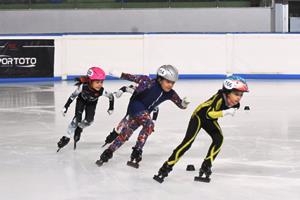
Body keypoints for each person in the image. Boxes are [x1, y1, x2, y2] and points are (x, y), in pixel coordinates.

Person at [153, 75, 249, 183]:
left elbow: (212, 116)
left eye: (241, 95)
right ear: (227, 91)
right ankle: (166, 167)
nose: (239, 98)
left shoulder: (236, 104)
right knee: (187, 143)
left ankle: (206, 166)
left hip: (210, 119)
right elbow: (208, 114)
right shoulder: (219, 98)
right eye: (236, 94)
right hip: (199, 116)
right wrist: (225, 112)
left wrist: (225, 111)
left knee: (219, 139)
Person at [96, 65, 190, 168]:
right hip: (135, 107)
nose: (170, 85)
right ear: (160, 79)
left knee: (125, 134)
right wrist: (119, 74)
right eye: (168, 82)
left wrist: (184, 103)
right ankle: (137, 150)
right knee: (149, 124)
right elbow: (133, 78)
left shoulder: (170, 94)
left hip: (142, 113)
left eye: (173, 83)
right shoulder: (148, 82)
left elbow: (180, 105)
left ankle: (108, 153)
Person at [57, 67, 114, 152]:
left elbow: (111, 96)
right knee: (77, 119)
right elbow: (73, 96)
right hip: (81, 101)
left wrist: (111, 108)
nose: (100, 84)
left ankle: (79, 128)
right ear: (90, 81)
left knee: (89, 120)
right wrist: (66, 107)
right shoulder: (82, 87)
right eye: (97, 82)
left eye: (101, 82)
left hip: (92, 104)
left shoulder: (102, 91)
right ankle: (67, 136)